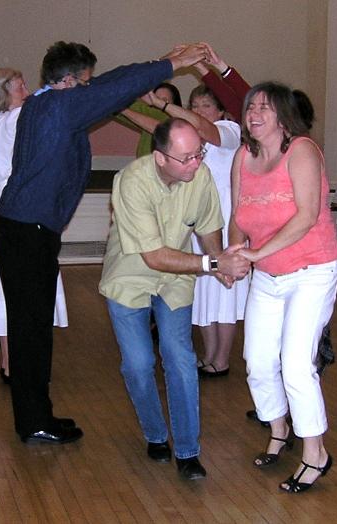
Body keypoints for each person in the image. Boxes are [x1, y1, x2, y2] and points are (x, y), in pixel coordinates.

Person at [0, 41, 211, 445]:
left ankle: (35, 416)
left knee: (32, 329)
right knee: (31, 331)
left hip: (23, 230)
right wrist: (171, 64)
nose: (92, 89)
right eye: (86, 83)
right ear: (70, 81)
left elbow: (110, 83)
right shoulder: (59, 107)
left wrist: (158, 61)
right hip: (25, 233)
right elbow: (113, 88)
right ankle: (34, 420)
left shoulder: (46, 102)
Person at [99, 118, 250, 479]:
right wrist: (213, 262)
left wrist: (221, 265)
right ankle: (154, 434)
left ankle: (187, 450)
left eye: (198, 153)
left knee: (180, 358)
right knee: (138, 364)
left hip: (175, 281)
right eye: (186, 158)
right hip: (129, 279)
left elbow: (209, 226)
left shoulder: (199, 176)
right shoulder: (131, 181)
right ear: (160, 158)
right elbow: (154, 256)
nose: (196, 163)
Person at [229, 82, 337, 493]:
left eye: (264, 107)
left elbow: (306, 217)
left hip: (313, 269)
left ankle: (316, 453)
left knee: (296, 363)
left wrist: (254, 256)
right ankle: (279, 430)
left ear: (283, 116)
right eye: (249, 108)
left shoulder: (303, 151)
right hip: (268, 273)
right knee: (257, 360)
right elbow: (238, 217)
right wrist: (234, 254)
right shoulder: (244, 156)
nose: (254, 114)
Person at [123, 83, 249, 377]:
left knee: (224, 295)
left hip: (224, 220)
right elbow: (158, 128)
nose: (198, 111)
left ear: (220, 110)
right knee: (203, 291)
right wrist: (125, 110)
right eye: (194, 105)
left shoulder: (229, 130)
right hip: (198, 217)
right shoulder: (193, 138)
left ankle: (222, 359)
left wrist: (165, 106)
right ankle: (208, 355)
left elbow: (203, 128)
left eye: (205, 105)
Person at [0, 68, 69, 384]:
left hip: (1, 201)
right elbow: (40, 107)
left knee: (4, 285)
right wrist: (58, 87)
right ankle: (15, 365)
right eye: (19, 85)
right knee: (17, 284)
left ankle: (8, 363)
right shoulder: (14, 119)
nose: (26, 89)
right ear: (5, 91)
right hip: (17, 202)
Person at [116, 82, 183, 158]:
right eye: (156, 99)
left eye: (164, 101)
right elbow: (120, 114)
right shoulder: (146, 116)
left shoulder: (172, 121)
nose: (158, 104)